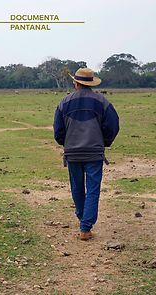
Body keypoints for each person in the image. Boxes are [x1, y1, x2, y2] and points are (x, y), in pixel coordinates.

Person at [53, 68, 119, 240]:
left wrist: (67, 143)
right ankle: (85, 226)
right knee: (93, 189)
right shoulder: (103, 101)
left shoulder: (64, 102)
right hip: (94, 153)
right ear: (90, 83)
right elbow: (113, 126)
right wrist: (103, 142)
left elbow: (58, 131)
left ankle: (83, 220)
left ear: (76, 83)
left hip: (72, 153)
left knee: (76, 187)